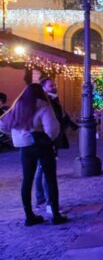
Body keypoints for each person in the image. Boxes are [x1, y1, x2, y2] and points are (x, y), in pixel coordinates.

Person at [0, 84, 67, 226]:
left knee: (27, 180)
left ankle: (29, 216)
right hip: (42, 146)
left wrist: (16, 134)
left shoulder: (18, 106)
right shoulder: (43, 106)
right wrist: (47, 138)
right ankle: (55, 215)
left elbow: (3, 124)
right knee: (50, 178)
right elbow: (52, 129)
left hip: (25, 148)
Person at [35, 78, 78, 214]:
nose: (54, 87)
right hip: (48, 139)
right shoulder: (46, 101)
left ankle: (43, 200)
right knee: (44, 170)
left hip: (49, 138)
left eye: (54, 84)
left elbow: (62, 116)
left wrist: (73, 125)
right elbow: (53, 120)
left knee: (41, 170)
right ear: (43, 87)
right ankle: (46, 203)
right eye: (51, 85)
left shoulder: (53, 98)